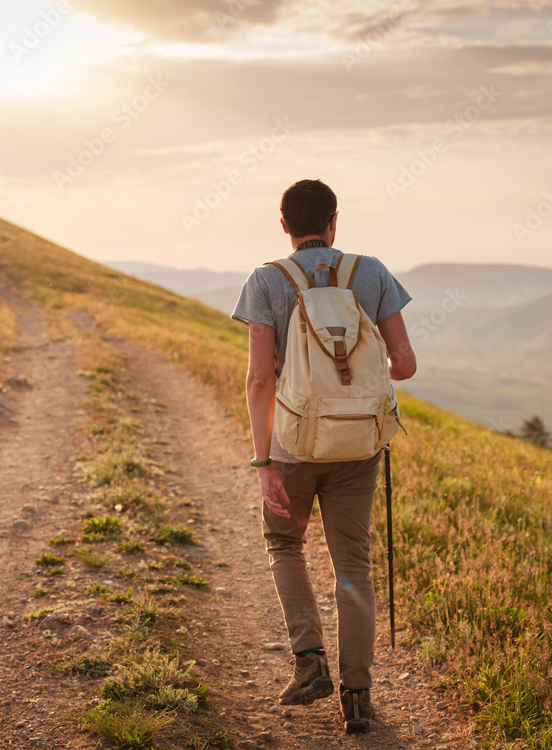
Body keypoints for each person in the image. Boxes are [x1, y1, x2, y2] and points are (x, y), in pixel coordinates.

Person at [231, 179, 416, 734]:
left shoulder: (266, 280)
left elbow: (260, 378)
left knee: (284, 542)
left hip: (291, 445)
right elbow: (404, 364)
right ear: (336, 221)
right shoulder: (372, 272)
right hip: (358, 445)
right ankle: (358, 697)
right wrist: (357, 384)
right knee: (352, 563)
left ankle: (309, 661)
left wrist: (264, 462)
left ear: (283, 225)